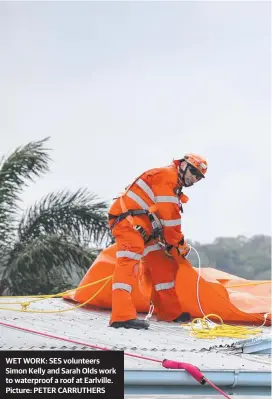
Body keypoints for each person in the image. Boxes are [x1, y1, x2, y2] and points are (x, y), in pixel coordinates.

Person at [108, 153, 208, 330]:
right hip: (128, 223)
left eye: (199, 177)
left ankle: (170, 312)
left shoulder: (173, 185)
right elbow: (169, 218)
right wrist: (178, 244)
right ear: (183, 165)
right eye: (193, 172)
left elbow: (166, 218)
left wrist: (174, 244)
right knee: (128, 262)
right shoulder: (166, 177)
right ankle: (121, 316)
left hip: (145, 229)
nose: (194, 179)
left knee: (162, 263)